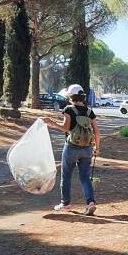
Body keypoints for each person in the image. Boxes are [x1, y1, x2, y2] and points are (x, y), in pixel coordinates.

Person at [42, 84, 99, 216]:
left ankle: (65, 203)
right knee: (85, 177)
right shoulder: (90, 112)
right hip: (87, 149)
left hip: (72, 148)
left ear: (71, 97)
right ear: (82, 97)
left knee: (66, 176)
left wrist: (51, 122)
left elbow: (66, 128)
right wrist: (97, 147)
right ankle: (90, 202)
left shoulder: (69, 109)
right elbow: (96, 130)